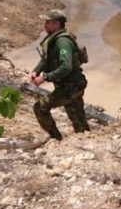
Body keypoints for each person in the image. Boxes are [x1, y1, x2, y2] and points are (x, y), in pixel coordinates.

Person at [28, 9, 89, 140]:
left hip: (71, 86)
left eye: (48, 22)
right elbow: (47, 59)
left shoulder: (62, 42)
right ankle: (85, 138)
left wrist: (44, 77)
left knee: (40, 108)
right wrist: (36, 71)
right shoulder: (54, 40)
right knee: (76, 116)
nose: (45, 25)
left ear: (56, 24)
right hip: (72, 85)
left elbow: (66, 67)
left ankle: (56, 139)